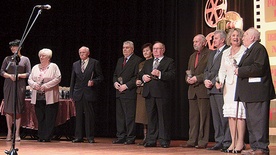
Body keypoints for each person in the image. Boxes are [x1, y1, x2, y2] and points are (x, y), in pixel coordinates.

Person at [235, 28, 275, 155]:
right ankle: (255, 146)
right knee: (252, 122)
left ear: (252, 37)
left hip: (258, 92)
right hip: (251, 93)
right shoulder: (249, 50)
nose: (243, 37)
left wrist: (240, 71)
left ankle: (262, 148)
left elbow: (258, 68)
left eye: (245, 35)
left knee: (258, 121)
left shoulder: (258, 48)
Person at [138, 41, 176, 148]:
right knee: (151, 118)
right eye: (154, 49)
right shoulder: (148, 62)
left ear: (163, 50)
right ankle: (151, 140)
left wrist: (160, 74)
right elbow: (140, 74)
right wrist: (143, 77)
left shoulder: (169, 61)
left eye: (157, 49)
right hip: (149, 93)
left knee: (163, 118)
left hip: (162, 93)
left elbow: (172, 75)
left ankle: (164, 140)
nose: (155, 51)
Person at [216, 28, 247, 153]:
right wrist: (220, 81)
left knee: (239, 114)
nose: (235, 37)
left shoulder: (245, 51)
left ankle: (240, 142)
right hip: (228, 87)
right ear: (230, 38)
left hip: (240, 85)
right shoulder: (226, 52)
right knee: (230, 115)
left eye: (238, 36)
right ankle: (233, 141)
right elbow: (222, 69)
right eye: (233, 35)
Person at [70, 46, 104, 143]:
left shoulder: (94, 63)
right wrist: (71, 94)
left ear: (88, 53)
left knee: (89, 116)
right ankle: (78, 136)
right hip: (78, 93)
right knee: (79, 116)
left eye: (83, 53)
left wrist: (93, 81)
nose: (81, 54)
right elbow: (73, 80)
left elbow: (100, 77)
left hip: (89, 93)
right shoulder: (75, 64)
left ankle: (90, 137)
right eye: (80, 53)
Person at [204, 30, 231, 151]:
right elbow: (206, 70)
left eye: (215, 38)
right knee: (216, 118)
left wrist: (214, 81)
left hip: (221, 88)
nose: (213, 40)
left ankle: (227, 141)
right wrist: (205, 80)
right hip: (211, 89)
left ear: (222, 40)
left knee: (224, 117)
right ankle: (219, 141)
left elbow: (224, 70)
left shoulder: (228, 51)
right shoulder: (212, 53)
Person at [28, 48, 61, 142]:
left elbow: (58, 78)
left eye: (43, 56)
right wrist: (34, 85)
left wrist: (46, 86)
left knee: (50, 117)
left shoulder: (53, 66)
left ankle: (47, 136)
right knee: (40, 117)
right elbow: (30, 79)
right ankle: (41, 136)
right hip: (38, 96)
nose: (41, 57)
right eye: (40, 56)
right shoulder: (35, 67)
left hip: (50, 96)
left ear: (49, 57)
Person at [0, 39, 31, 141]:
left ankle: (17, 133)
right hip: (9, 84)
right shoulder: (7, 59)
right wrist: (9, 76)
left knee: (18, 109)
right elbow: (1, 71)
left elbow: (29, 73)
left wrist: (19, 76)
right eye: (11, 47)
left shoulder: (25, 59)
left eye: (15, 46)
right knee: (8, 109)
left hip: (20, 85)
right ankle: (9, 132)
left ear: (20, 47)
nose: (13, 48)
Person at [112, 41, 143, 145]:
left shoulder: (137, 60)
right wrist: (115, 82)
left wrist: (126, 86)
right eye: (123, 48)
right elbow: (115, 74)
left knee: (129, 116)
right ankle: (121, 136)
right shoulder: (120, 60)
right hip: (119, 92)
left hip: (129, 92)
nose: (124, 49)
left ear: (132, 49)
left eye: (127, 48)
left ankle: (130, 137)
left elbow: (136, 76)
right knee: (120, 117)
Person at [184, 34, 211, 149]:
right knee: (193, 117)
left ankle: (202, 141)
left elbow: (209, 72)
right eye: (194, 41)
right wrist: (188, 79)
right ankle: (192, 140)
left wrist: (198, 78)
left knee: (204, 117)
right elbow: (188, 72)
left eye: (197, 41)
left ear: (204, 43)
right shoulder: (192, 56)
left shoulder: (210, 54)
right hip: (192, 90)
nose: (195, 43)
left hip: (203, 89)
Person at [135, 43, 153, 145]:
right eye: (144, 51)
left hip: (150, 91)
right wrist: (137, 81)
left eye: (147, 50)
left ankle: (151, 137)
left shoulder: (154, 62)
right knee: (142, 116)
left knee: (149, 116)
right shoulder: (141, 64)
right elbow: (138, 75)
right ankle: (145, 137)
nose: (145, 52)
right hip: (141, 91)